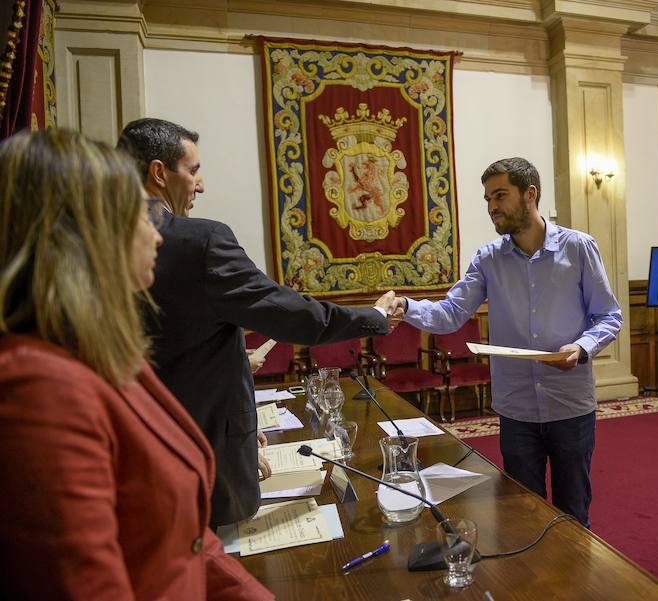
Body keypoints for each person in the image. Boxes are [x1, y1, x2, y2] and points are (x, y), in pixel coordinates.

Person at [0, 129, 272, 599]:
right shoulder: (39, 388)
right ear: (81, 235)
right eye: (138, 216)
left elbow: (186, 538)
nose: (157, 234)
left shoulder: (106, 352)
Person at [117, 118, 402, 528]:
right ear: (159, 173)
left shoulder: (92, 238)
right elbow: (290, 315)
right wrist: (372, 317)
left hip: (130, 450)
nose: (201, 185)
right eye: (194, 171)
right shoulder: (200, 241)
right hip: (203, 447)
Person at [393, 157, 622, 527]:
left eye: (500, 195)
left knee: (574, 512)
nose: (492, 207)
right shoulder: (488, 259)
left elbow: (609, 316)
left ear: (529, 194)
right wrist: (405, 306)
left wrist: (582, 348)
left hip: (570, 405)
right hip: (517, 411)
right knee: (523, 515)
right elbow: (450, 314)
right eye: (487, 199)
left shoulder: (579, 248)